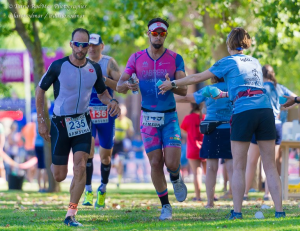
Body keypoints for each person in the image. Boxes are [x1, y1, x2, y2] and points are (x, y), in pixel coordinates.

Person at [159, 27, 285, 219]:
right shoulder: (255, 62)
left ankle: (237, 212)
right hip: (266, 111)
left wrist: (173, 84)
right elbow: (246, 87)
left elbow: (196, 77)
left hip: (244, 112)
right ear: (247, 43)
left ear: (229, 44)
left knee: (239, 166)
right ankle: (279, 211)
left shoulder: (227, 61)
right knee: (269, 165)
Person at [35, 28, 120, 227]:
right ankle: (60, 170)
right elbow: (40, 91)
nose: (81, 49)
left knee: (81, 164)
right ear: (71, 44)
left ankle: (71, 214)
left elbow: (102, 94)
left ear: (89, 46)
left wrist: (112, 102)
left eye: (85, 45)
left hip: (83, 121)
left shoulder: (94, 68)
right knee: (59, 175)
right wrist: (41, 121)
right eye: (77, 44)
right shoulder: (58, 66)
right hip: (60, 123)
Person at [117, 17, 188, 220]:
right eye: (154, 33)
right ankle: (165, 205)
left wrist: (172, 84)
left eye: (162, 33)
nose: (158, 37)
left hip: (169, 117)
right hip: (147, 116)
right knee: (156, 162)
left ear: (166, 35)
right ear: (148, 34)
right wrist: (129, 85)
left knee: (172, 162)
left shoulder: (175, 58)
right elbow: (121, 84)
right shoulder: (136, 58)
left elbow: (184, 88)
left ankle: (175, 176)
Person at [175, 77, 233, 207]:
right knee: (232, 168)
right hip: (229, 129)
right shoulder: (232, 87)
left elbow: (187, 98)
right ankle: (237, 203)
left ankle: (210, 202)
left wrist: (167, 97)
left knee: (211, 168)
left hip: (212, 130)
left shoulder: (208, 89)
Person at [244, 64, 297, 201]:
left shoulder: (258, 87)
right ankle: (267, 194)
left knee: (251, 161)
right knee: (271, 162)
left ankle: (244, 193)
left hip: (260, 124)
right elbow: (295, 98)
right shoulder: (278, 88)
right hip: (276, 125)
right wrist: (283, 107)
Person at [82, 33, 122, 209]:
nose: (91, 48)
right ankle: (88, 190)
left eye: (94, 45)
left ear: (102, 46)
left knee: (105, 157)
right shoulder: (79, 62)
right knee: (87, 152)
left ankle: (103, 188)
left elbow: (122, 86)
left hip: (106, 113)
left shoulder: (109, 62)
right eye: (88, 45)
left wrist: (103, 79)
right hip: (87, 113)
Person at [180, 103, 206, 201]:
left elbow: (183, 132)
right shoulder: (205, 117)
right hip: (205, 148)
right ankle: (212, 196)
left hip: (193, 148)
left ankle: (198, 197)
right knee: (210, 173)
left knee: (197, 173)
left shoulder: (188, 118)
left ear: (191, 106)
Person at [113, 104, 134, 187]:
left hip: (121, 144)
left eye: (123, 111)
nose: (121, 113)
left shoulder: (128, 121)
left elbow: (131, 133)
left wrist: (130, 131)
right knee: (110, 163)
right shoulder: (113, 120)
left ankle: (118, 181)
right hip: (112, 143)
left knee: (120, 162)